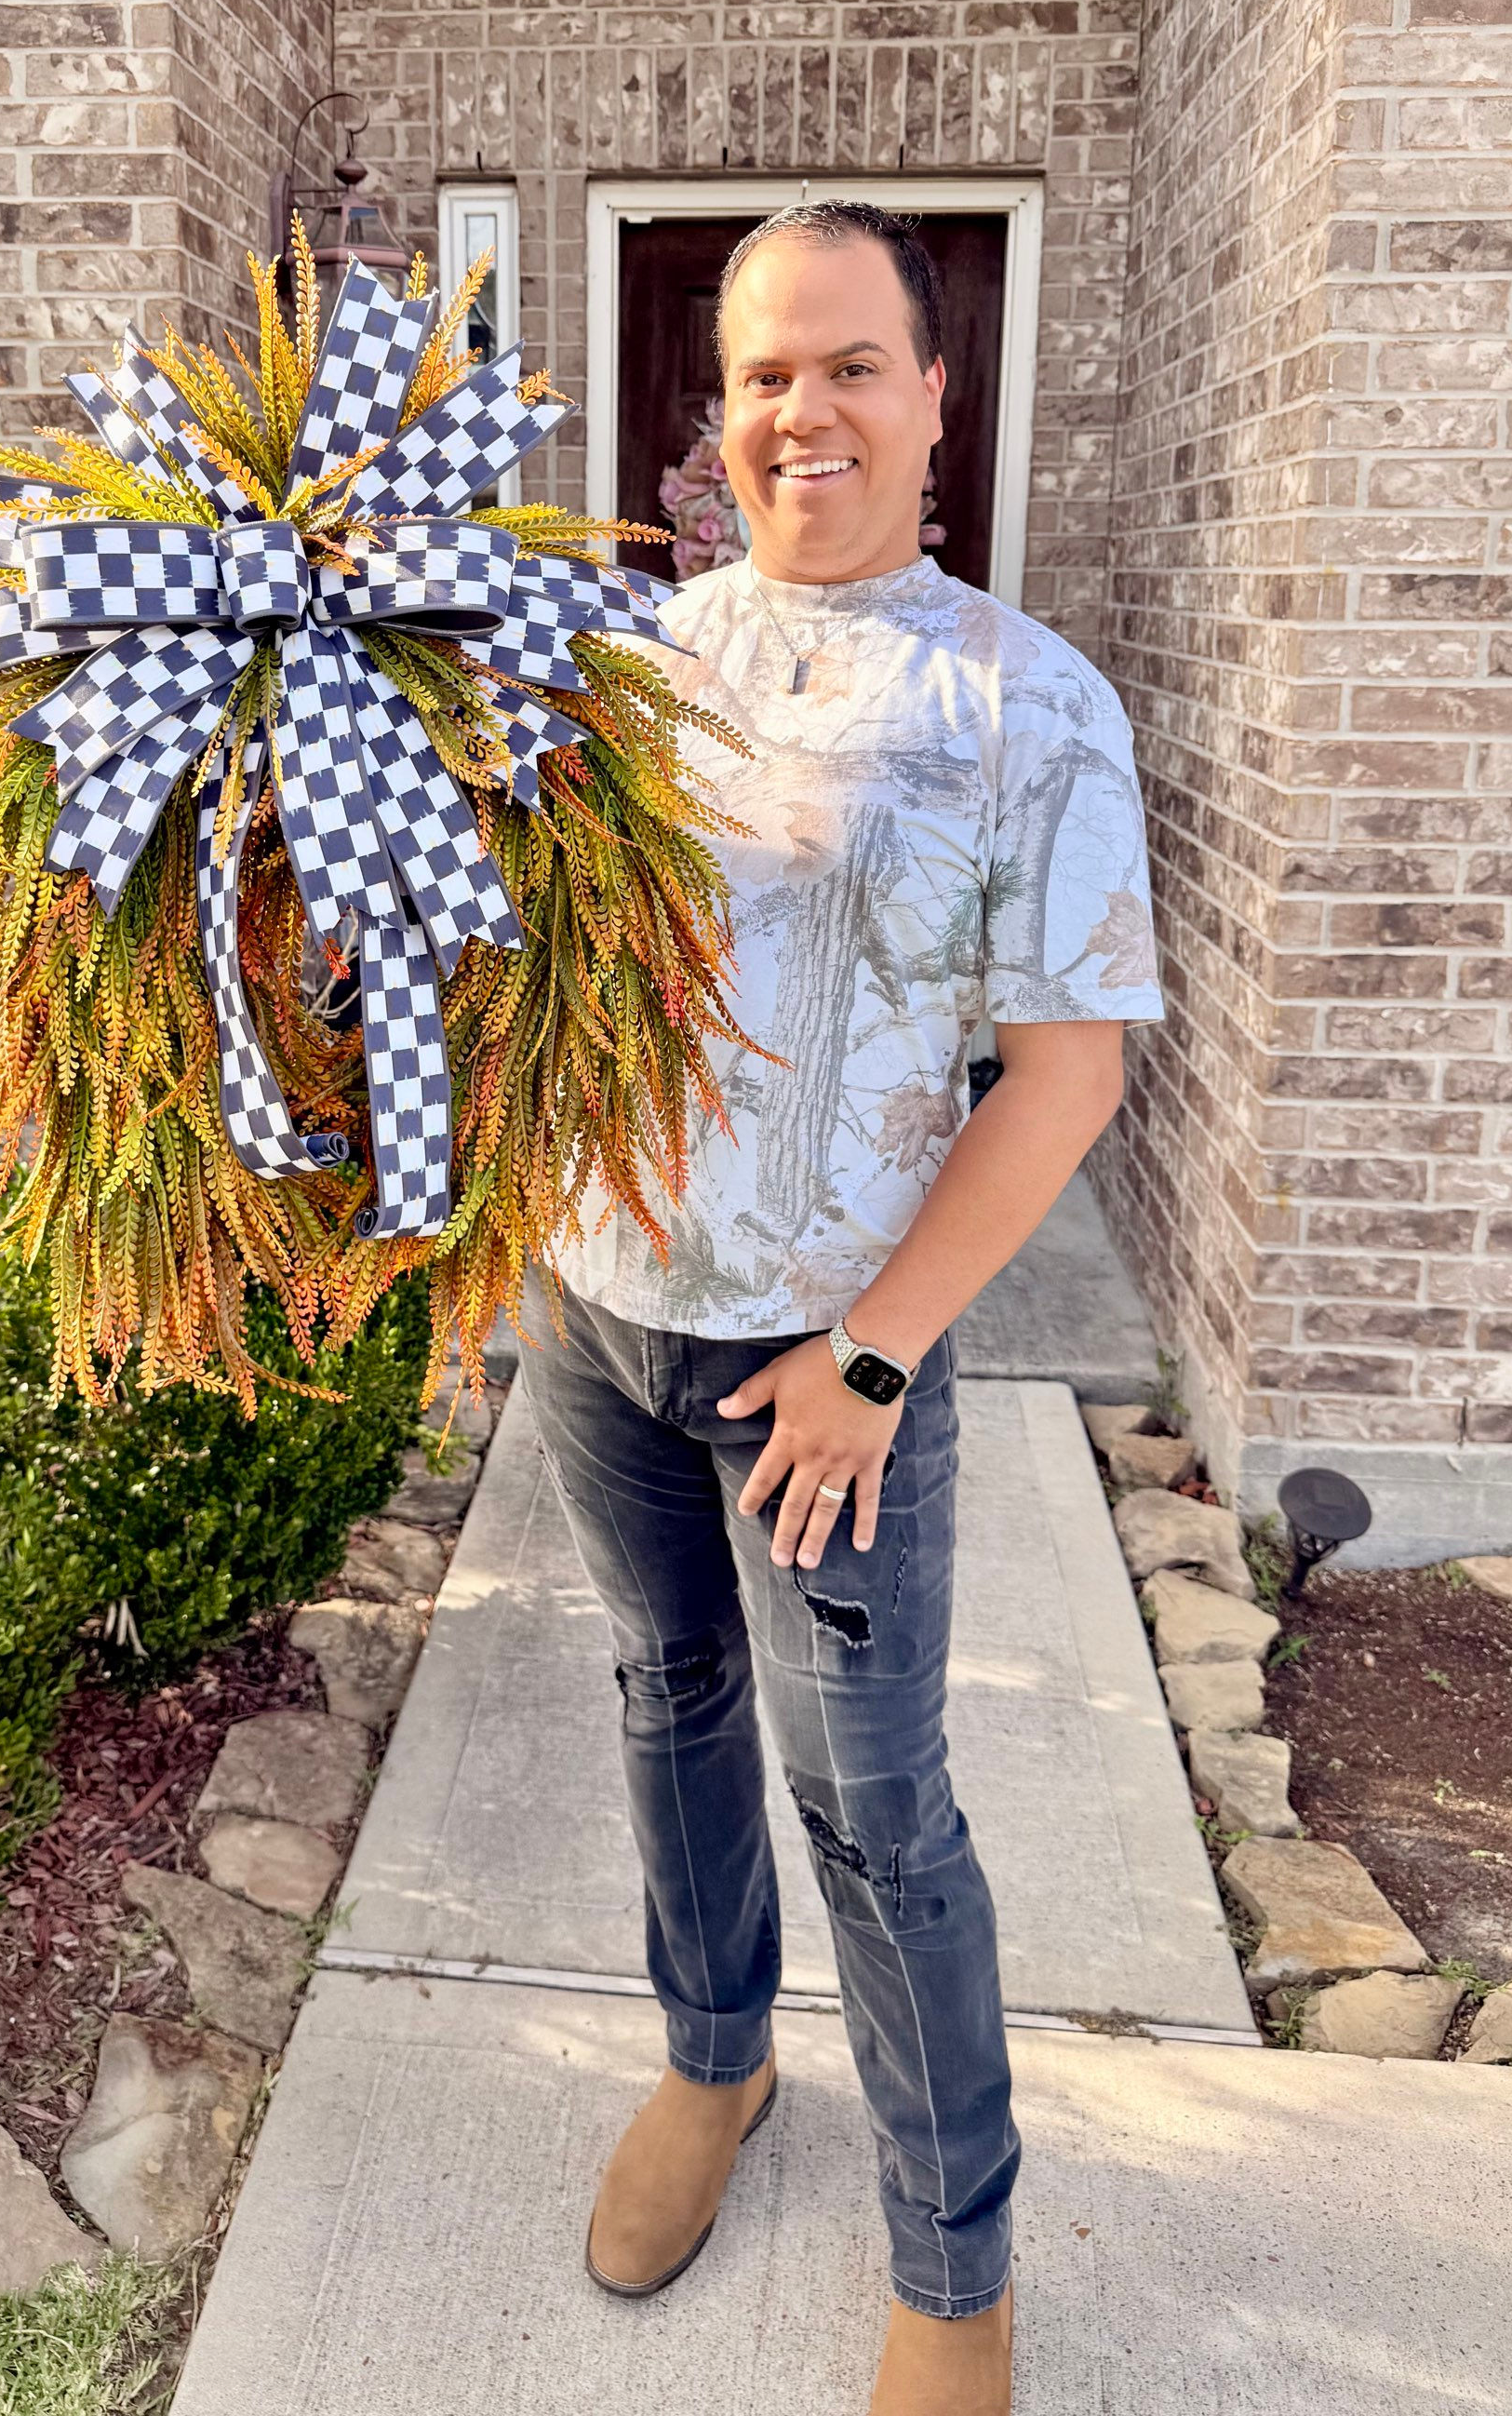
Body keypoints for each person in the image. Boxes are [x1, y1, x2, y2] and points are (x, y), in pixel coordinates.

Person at [517, 199, 1164, 2414]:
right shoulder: (620, 669)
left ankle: (956, 2274)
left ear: (933, 392)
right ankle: (716, 2068)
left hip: (831, 1371)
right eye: (767, 373)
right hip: (595, 1317)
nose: (808, 408)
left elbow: (1065, 1072)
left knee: (882, 1819)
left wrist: (879, 1352)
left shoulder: (1026, 704)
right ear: (722, 410)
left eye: (853, 364)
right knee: (664, 1694)